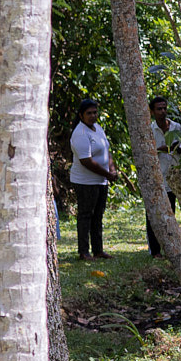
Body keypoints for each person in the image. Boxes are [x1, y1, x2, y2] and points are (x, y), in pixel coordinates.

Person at [69, 99, 122, 260]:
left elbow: (107, 151)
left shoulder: (97, 128)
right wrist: (107, 174)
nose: (92, 116)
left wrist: (111, 169)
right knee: (85, 215)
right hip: (85, 182)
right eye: (89, 113)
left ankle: (98, 250)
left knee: (98, 215)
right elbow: (86, 161)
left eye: (94, 112)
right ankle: (84, 252)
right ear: (81, 115)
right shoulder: (80, 133)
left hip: (101, 181)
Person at [147, 96, 181, 257]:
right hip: (157, 178)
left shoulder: (176, 126)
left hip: (174, 177)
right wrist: (161, 149)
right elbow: (148, 153)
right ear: (152, 111)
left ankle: (172, 247)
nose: (162, 112)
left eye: (164, 108)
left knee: (172, 215)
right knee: (154, 216)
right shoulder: (150, 130)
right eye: (159, 109)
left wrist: (176, 148)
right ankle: (155, 250)